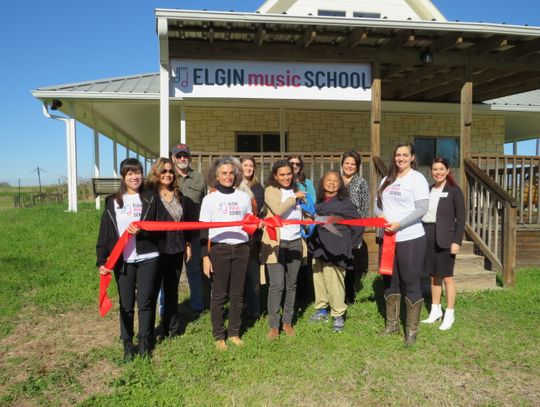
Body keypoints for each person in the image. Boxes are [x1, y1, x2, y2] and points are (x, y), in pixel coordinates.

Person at [96, 158, 162, 361]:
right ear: (123, 177)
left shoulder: (151, 198)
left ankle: (144, 342)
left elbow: (161, 227)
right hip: (122, 260)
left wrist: (144, 228)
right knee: (125, 303)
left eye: (138, 172)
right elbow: (105, 233)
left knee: (145, 302)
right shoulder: (112, 202)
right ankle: (127, 343)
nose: (135, 177)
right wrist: (101, 261)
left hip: (148, 257)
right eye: (130, 173)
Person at [375, 143, 429, 346]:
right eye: (398, 155)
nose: (401, 158)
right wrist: (383, 220)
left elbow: (422, 208)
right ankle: (392, 324)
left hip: (411, 237)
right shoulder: (386, 179)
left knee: (411, 282)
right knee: (389, 281)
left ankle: (411, 332)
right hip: (388, 238)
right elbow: (377, 204)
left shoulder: (417, 179)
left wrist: (399, 224)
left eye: (405, 155)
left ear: (412, 157)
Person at [199, 157, 252, 350]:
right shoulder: (209, 199)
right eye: (224, 173)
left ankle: (234, 333)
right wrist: (205, 256)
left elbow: (250, 223)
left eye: (231, 173)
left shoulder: (243, 197)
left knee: (237, 295)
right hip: (219, 250)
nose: (228, 176)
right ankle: (219, 335)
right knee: (219, 295)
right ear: (216, 176)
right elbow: (203, 231)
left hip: (241, 249)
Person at [308, 170, 364, 333]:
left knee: (335, 282)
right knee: (319, 280)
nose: (331, 183)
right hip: (319, 247)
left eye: (335, 181)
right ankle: (321, 310)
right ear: (322, 183)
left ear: (340, 184)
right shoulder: (317, 203)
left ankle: (338, 314)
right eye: (328, 180)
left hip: (337, 247)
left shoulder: (345, 203)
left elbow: (359, 223)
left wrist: (351, 243)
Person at [262, 159, 306, 340]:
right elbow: (278, 211)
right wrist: (294, 197)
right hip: (276, 243)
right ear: (275, 176)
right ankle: (274, 325)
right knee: (277, 284)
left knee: (292, 284)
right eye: (282, 174)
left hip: (296, 240)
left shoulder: (298, 189)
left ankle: (287, 321)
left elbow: (302, 212)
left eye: (289, 173)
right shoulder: (271, 190)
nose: (287, 177)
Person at [147, 158, 192, 338]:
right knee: (152, 289)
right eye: (163, 171)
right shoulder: (149, 195)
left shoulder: (179, 195)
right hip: (155, 249)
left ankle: (172, 328)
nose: (168, 174)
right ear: (156, 173)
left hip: (176, 248)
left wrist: (187, 244)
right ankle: (149, 330)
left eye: (170, 171)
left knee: (171, 290)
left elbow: (185, 222)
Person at [421, 157, 465, 331]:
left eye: (441, 169)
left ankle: (450, 314)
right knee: (433, 276)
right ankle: (435, 310)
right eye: (434, 169)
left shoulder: (454, 190)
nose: (437, 172)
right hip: (429, 235)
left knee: (447, 277)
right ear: (431, 172)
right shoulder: (429, 189)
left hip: (447, 239)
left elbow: (461, 219)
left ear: (447, 171)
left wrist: (457, 241)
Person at [172, 143, 206, 314]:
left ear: (190, 157)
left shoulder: (199, 178)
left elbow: (205, 203)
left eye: (185, 155)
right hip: (172, 234)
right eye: (179, 156)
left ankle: (197, 305)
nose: (182, 158)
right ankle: (168, 308)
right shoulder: (169, 177)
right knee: (171, 271)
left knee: (194, 269)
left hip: (194, 232)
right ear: (174, 158)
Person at [341, 150, 369, 303]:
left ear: (357, 167)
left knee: (350, 261)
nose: (349, 166)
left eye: (353, 164)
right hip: (337, 227)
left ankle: (349, 295)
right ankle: (337, 293)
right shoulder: (336, 180)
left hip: (353, 228)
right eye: (347, 163)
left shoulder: (361, 183)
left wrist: (360, 229)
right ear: (342, 164)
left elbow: (364, 209)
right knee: (338, 260)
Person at [239, 156, 265, 321]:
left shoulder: (257, 187)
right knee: (238, 276)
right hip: (236, 236)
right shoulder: (234, 185)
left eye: (251, 165)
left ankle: (254, 309)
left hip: (253, 237)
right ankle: (239, 308)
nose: (248, 168)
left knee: (252, 274)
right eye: (245, 165)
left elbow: (259, 209)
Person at [287, 154, 315, 304]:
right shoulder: (283, 182)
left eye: (297, 164)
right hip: (287, 226)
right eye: (291, 163)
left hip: (303, 226)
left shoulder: (307, 183)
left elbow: (313, 201)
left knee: (304, 260)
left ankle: (303, 296)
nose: (294, 166)